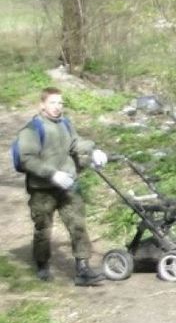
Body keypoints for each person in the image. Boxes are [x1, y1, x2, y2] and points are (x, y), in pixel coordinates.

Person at [16, 87, 108, 286]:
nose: (57, 107)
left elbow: (76, 143)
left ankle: (83, 269)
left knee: (78, 225)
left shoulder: (65, 123)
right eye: (52, 103)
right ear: (42, 105)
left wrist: (93, 150)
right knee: (43, 228)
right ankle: (42, 264)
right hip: (42, 189)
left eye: (60, 103)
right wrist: (52, 174)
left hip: (68, 185)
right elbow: (27, 159)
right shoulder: (32, 129)